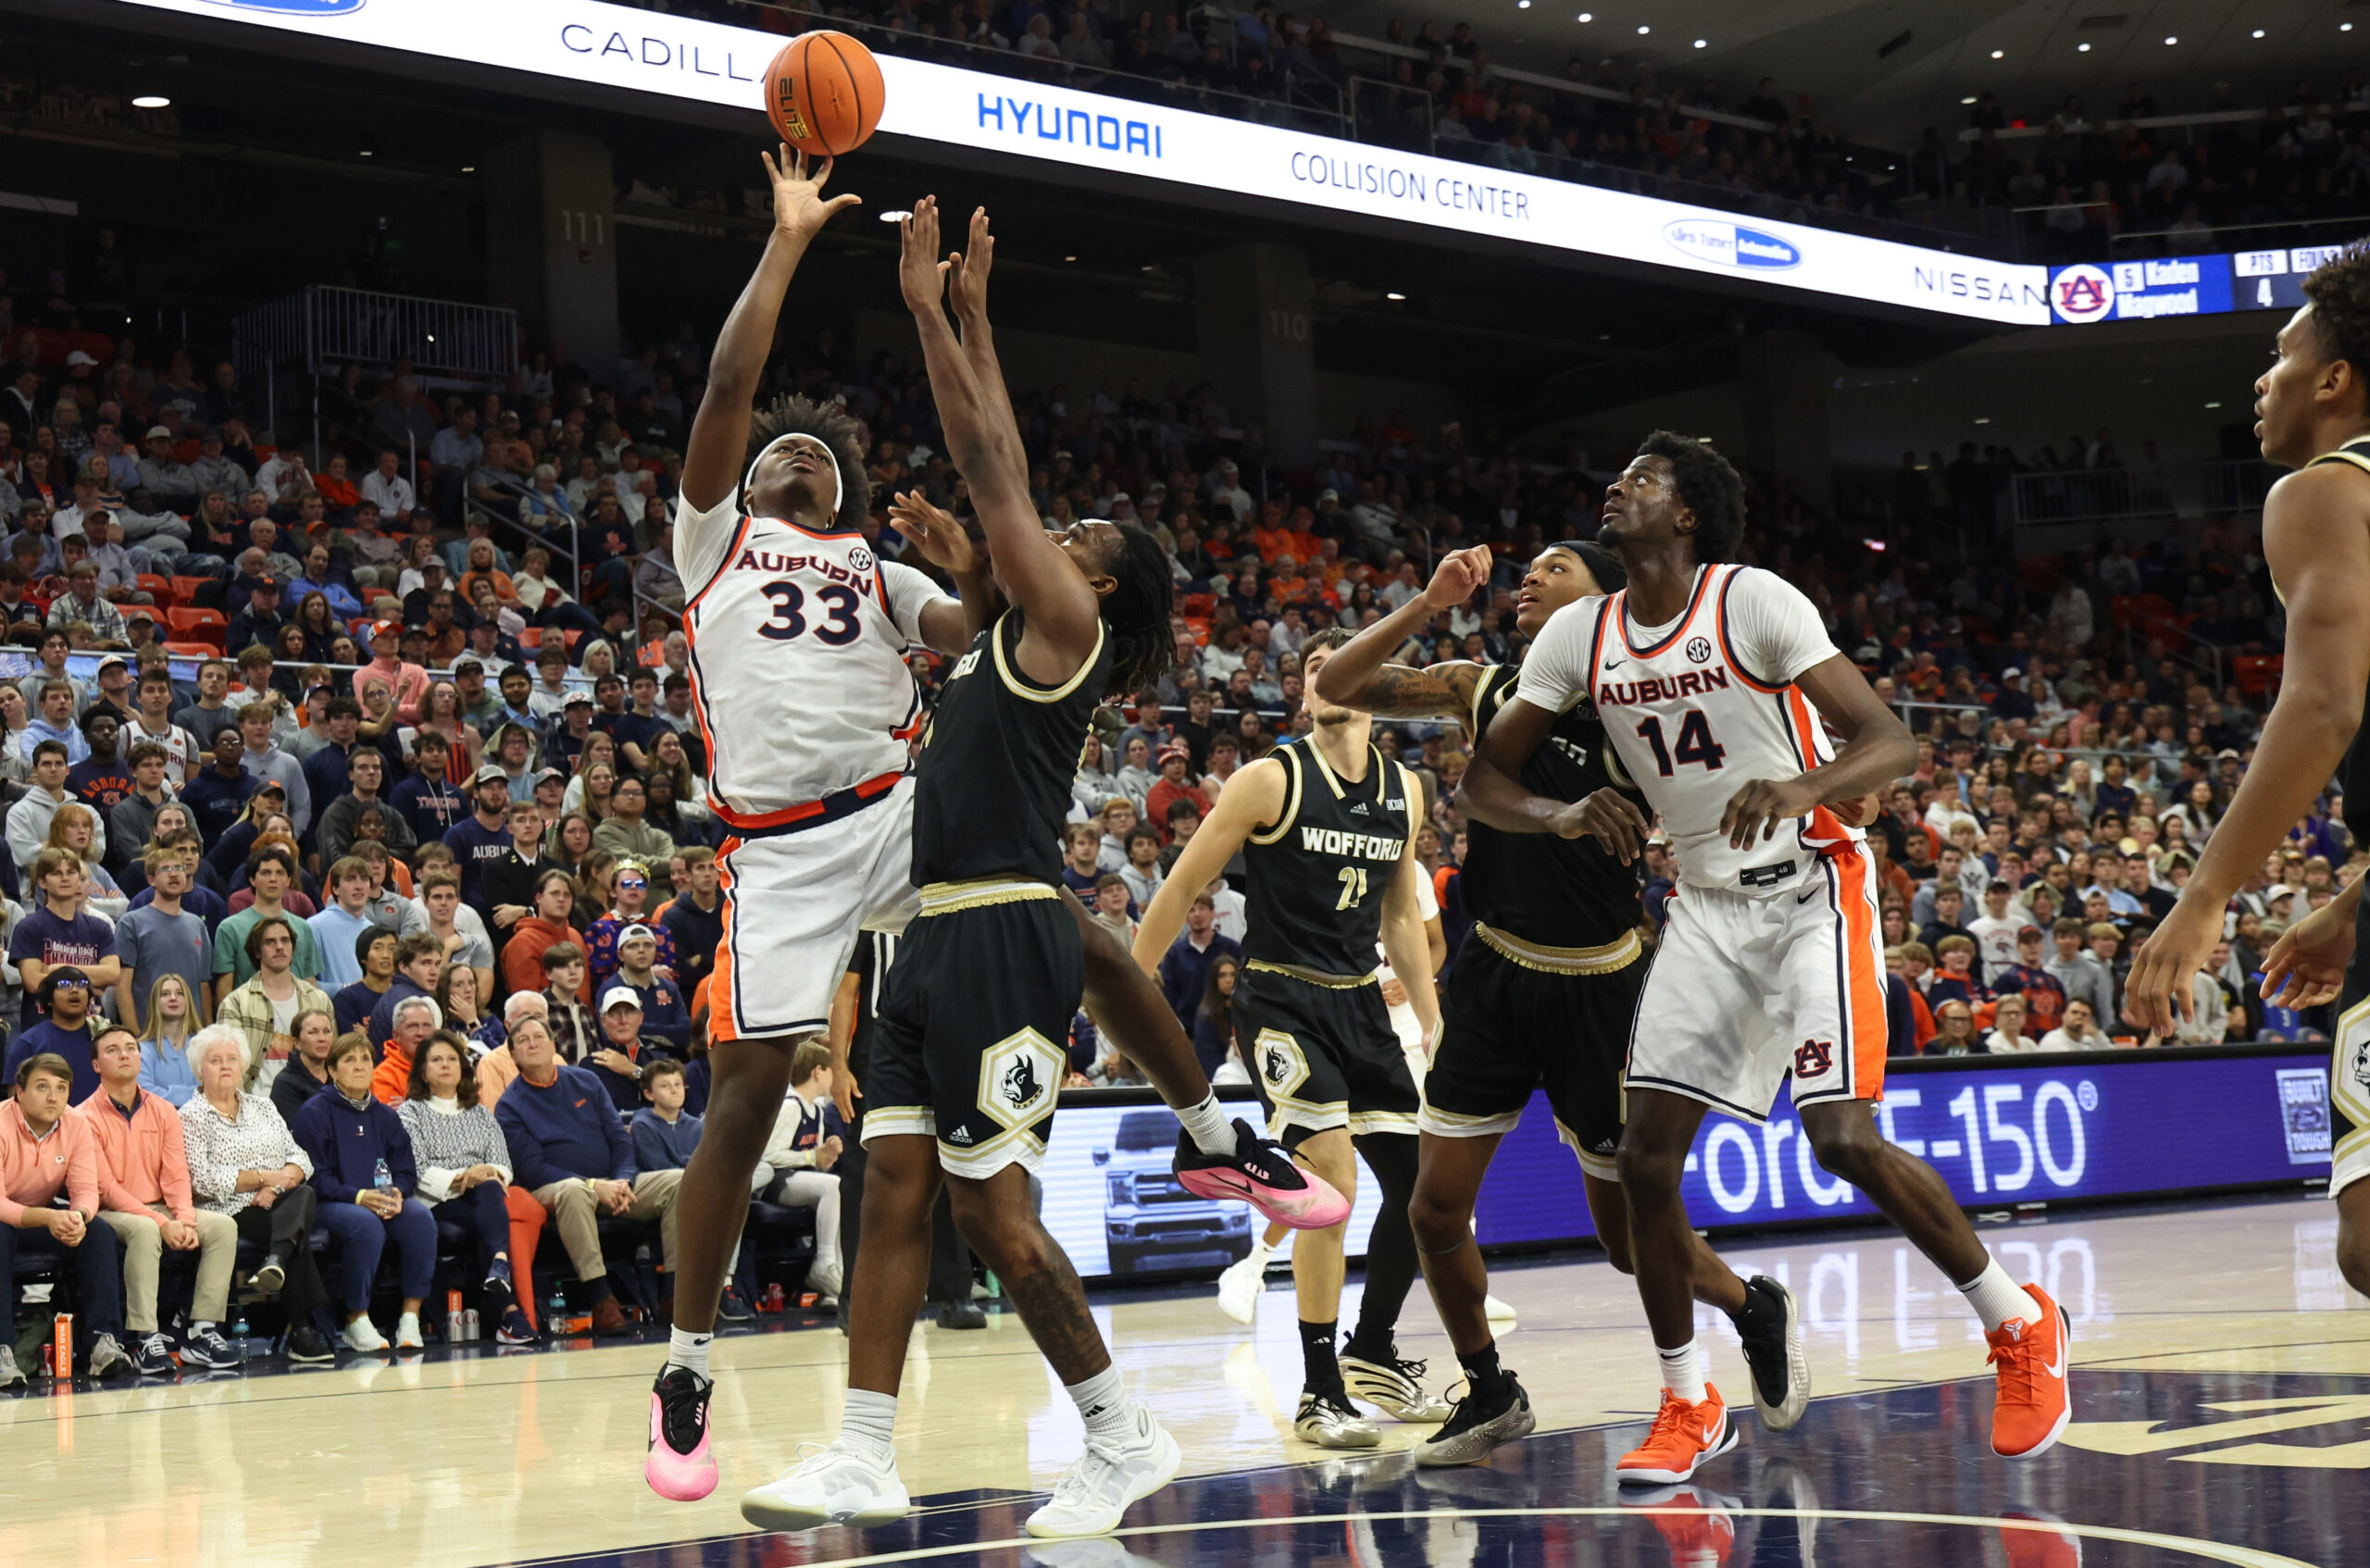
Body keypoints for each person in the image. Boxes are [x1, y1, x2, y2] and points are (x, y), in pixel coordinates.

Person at [1460, 431, 2068, 1483]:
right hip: (1702, 900)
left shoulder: (1752, 601)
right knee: (1644, 1160)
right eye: (1618, 474)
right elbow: (1481, 779)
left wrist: (1801, 787)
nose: (1618, 485)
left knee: (1839, 1138)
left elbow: (1889, 740)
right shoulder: (1577, 634)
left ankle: (2018, 1321)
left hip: (1812, 888)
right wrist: (1560, 812)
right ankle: (1687, 1394)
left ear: (1688, 512)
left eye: (1642, 478)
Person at [1312, 540, 1809, 1465]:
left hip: (1606, 988)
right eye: (1527, 571)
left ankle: (1750, 1304)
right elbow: (1338, 683)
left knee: (1629, 1244)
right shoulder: (1482, 685)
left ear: (1604, 601)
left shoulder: (1647, 706)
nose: (1531, 579)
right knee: (1431, 1210)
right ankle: (1490, 1389)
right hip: (1495, 974)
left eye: (1556, 568)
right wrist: (1426, 603)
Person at [2127, 248, 2370, 1301]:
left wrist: (2204, 893)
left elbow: (2323, 702)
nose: (2259, 381)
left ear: (2334, 379)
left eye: (2280, 356)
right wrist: (2355, 903)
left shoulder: (2322, 490)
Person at [1135, 627, 1446, 1449]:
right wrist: (1127, 984)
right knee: (1332, 1181)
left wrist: (1434, 1017)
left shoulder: (1406, 790)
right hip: (1279, 998)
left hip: (1361, 1007)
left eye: (1341, 666)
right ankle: (1318, 1391)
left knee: (1427, 1197)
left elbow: (1401, 918)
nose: (1324, 678)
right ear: (1303, 690)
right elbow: (1184, 883)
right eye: (1312, 669)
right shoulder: (1269, 777)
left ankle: (1372, 1353)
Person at [494, 1014, 682, 1336]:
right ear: (512, 1055)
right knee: (572, 1190)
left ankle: (675, 1293)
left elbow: (619, 1139)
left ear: (553, 1045)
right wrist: (595, 1185)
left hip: (614, 1183)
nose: (532, 1043)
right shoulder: (509, 1105)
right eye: (522, 1041)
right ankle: (602, 1299)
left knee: (681, 1181)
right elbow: (533, 1169)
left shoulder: (586, 1081)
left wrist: (622, 1179)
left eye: (538, 1036)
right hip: (553, 1190)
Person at [82, 1022, 243, 1374]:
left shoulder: (164, 1109)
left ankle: (202, 1330)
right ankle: (145, 1336)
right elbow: (106, 1188)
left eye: (130, 1047)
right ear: (96, 1065)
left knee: (222, 1227)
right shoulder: (83, 1117)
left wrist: (183, 1219)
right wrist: (163, 1223)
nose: (124, 1054)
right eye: (112, 1050)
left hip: (162, 1206)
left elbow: (176, 1175)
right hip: (111, 1211)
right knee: (144, 1229)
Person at [178, 1025, 336, 1363]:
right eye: (215, 1060)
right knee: (298, 1223)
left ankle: (277, 1260)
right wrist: (264, 1179)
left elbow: (301, 1159)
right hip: (230, 1212)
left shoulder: (263, 1107)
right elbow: (202, 1181)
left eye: (232, 1059)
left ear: (243, 1066)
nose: (225, 1066)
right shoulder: (189, 1117)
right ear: (199, 1069)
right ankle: (302, 1328)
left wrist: (276, 1186)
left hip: (279, 1203)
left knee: (303, 1194)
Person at [290, 1032, 438, 1352]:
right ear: (332, 1070)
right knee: (364, 1224)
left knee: (419, 1217)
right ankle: (356, 1319)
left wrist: (398, 1192)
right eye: (349, 1060)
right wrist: (360, 1197)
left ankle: (410, 1317)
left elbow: (406, 1169)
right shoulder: (314, 1112)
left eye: (365, 1059)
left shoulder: (385, 1115)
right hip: (330, 1203)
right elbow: (314, 1177)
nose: (359, 1066)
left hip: (382, 1199)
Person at [0, 1052, 134, 1386]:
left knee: (97, 1231)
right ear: (19, 1091)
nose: (53, 1096)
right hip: (8, 1217)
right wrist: (48, 1217)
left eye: (61, 1088)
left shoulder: (76, 1124)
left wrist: (77, 1217)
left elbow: (87, 1190)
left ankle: (103, 1344)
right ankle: (3, 1351)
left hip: (37, 1218)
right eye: (42, 1087)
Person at [397, 1030, 536, 1345]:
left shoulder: (480, 1114)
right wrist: (467, 1175)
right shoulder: (410, 1113)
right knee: (488, 1205)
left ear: (463, 1067)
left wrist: (486, 1172)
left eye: (451, 1059)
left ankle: (507, 1296)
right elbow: (417, 1170)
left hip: (483, 1197)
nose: (445, 1065)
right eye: (436, 1060)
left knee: (489, 1190)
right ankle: (507, 1298)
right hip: (438, 1200)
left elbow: (503, 1166)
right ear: (422, 1071)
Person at [756, 1037, 845, 1308]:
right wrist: (812, 1156)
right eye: (832, 1070)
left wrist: (826, 1157)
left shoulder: (816, 1110)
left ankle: (833, 1286)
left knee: (841, 1190)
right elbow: (769, 1154)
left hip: (799, 1179)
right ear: (818, 1071)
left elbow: (815, 1163)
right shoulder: (790, 1106)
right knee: (834, 1187)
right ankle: (825, 1264)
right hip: (775, 1182)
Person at [217, 915, 334, 1083]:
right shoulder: (236, 1003)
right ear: (257, 951)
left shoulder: (319, 1000)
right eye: (270, 942)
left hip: (308, 1099)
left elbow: (332, 1057)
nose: (279, 947)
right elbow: (226, 1064)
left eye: (285, 941)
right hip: (255, 1100)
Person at [117, 844, 213, 1039]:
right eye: (166, 869)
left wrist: (206, 1033)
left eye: (179, 868)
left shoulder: (197, 925)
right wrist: (135, 1035)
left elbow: (203, 985)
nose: (174, 874)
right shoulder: (132, 922)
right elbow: (122, 985)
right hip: (149, 1036)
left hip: (191, 1038)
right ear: (151, 879)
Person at [5, 965, 106, 1101]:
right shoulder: (29, 1043)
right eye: (64, 985)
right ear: (49, 1000)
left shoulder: (104, 1037)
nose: (75, 990)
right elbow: (15, 1102)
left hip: (100, 1120)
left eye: (82, 985)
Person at [136, 973, 205, 1107]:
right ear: (155, 1002)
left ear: (187, 1001)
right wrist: (195, 1095)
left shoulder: (204, 1046)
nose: (173, 998)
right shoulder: (142, 1050)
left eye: (179, 993)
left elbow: (213, 1090)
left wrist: (167, 1094)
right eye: (165, 994)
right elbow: (145, 1093)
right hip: (158, 1122)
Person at [269, 1006, 340, 1126]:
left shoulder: (341, 1076)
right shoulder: (285, 1083)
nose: (322, 1038)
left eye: (327, 1031)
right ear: (297, 1042)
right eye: (313, 1032)